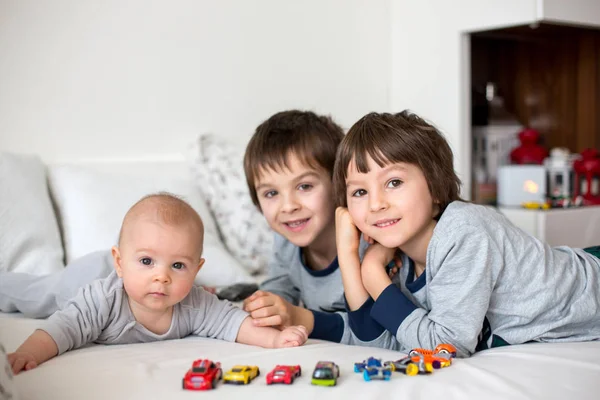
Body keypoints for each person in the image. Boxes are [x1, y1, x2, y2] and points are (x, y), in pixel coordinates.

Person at [332, 110, 600, 357]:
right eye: (359, 192)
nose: (375, 204)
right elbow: (380, 345)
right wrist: (349, 257)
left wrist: (373, 276)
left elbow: (446, 347)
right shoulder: (388, 247)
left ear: (435, 188)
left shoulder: (463, 231)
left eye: (394, 182)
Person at [7, 193, 307, 374]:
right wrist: (28, 353)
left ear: (196, 269)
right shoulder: (101, 300)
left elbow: (233, 323)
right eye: (148, 262)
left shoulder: (194, 302)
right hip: (85, 277)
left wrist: (275, 340)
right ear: (120, 260)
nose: (161, 276)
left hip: (126, 268)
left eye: (178, 266)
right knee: (37, 296)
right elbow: (63, 328)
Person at [241, 110, 400, 344]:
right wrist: (268, 305)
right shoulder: (286, 241)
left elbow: (376, 333)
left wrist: (299, 317)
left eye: (304, 186)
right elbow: (281, 283)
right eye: (271, 193)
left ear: (339, 185)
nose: (288, 206)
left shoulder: (371, 245)